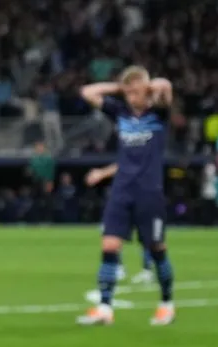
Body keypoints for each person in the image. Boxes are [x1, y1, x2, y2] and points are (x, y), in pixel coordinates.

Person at [76, 67, 176, 327]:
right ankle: (105, 308)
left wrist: (147, 85)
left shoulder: (159, 113)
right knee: (109, 245)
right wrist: (118, 88)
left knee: (156, 249)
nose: (132, 97)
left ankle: (166, 303)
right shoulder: (120, 112)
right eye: (128, 92)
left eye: (136, 92)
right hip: (122, 190)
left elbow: (165, 85)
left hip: (149, 192)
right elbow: (87, 92)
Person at [84, 163, 155, 285]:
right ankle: (120, 268)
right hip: (127, 197)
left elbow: (125, 165)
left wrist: (101, 173)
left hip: (139, 197)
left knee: (144, 235)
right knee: (113, 233)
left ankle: (146, 271)